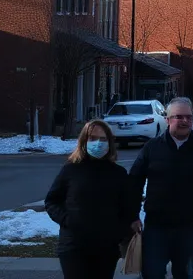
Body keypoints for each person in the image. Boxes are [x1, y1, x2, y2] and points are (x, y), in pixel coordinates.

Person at [130, 97, 193, 279]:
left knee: (184, 274)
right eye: (178, 117)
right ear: (167, 119)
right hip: (156, 227)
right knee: (152, 274)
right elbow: (134, 182)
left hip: (189, 228)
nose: (185, 121)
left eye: (189, 117)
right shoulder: (152, 148)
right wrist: (133, 216)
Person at [44, 119, 137, 279]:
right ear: (84, 141)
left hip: (106, 248)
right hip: (73, 246)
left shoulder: (118, 174)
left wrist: (118, 232)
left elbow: (128, 208)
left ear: (110, 143)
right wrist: (67, 219)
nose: (98, 143)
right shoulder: (71, 169)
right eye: (93, 138)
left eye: (103, 139)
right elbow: (52, 201)